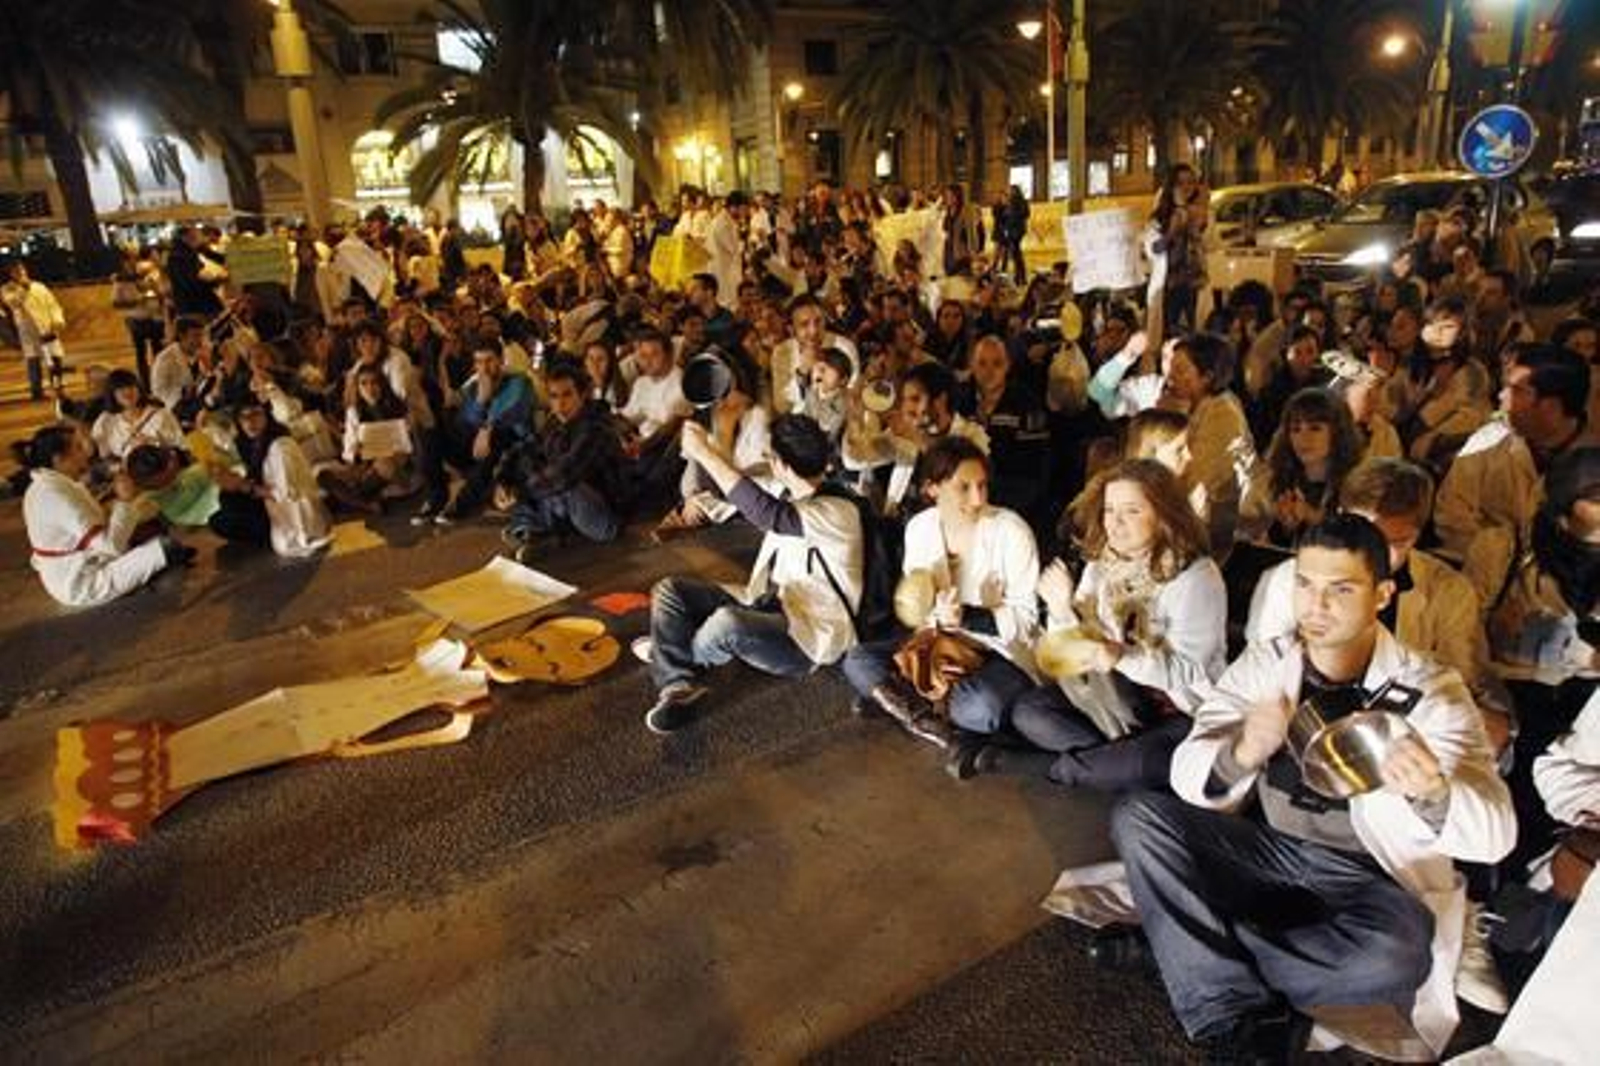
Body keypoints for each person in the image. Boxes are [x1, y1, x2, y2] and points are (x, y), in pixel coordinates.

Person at [1110, 515, 1515, 1063]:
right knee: (1139, 816)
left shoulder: (1431, 691)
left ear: (1382, 594)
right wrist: (1244, 751)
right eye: (1305, 584)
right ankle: (1204, 962)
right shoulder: (1269, 663)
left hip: (1368, 877)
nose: (1315, 607)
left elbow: (1497, 838)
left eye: (1340, 589)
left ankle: (1187, 957)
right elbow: (1189, 773)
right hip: (1270, 850)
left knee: (1394, 956)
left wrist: (1433, 792)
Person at [955, 460, 1225, 789]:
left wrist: (1123, 656)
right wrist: (1061, 610)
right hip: (1110, 700)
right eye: (1110, 510)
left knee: (1144, 762)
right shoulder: (1103, 564)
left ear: (1164, 513)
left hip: (1175, 711)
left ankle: (1046, 766)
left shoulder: (1195, 575)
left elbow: (1189, 670)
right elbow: (1068, 656)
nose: (1116, 523)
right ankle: (1109, 763)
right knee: (1029, 711)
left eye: (1132, 511)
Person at [640, 414, 864, 733]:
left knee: (726, 624)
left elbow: (766, 512)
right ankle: (676, 682)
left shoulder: (839, 510)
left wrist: (703, 452)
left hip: (807, 637)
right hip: (767, 600)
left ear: (782, 464)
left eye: (770, 456)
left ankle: (670, 656)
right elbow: (739, 490)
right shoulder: (790, 491)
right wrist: (710, 446)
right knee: (668, 590)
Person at [841, 437, 1039, 747]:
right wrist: (931, 613)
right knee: (857, 659)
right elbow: (916, 609)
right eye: (964, 487)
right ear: (933, 488)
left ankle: (905, 703)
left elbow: (1026, 622)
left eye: (982, 486)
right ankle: (930, 722)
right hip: (937, 643)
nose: (977, 498)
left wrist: (968, 617)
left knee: (984, 705)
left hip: (994, 651)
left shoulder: (1011, 531)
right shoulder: (920, 527)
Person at [1435, 343, 1594, 609]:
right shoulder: (1487, 443)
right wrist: (1495, 552)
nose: (1501, 396)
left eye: (1517, 390)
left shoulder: (1592, 466)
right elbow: (1450, 515)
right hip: (1475, 594)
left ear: (1551, 406)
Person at [22, 424, 192, 607]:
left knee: (150, 519)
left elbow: (98, 521)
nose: (85, 453)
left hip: (82, 561)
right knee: (167, 546)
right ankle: (147, 580)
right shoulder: (55, 494)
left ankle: (145, 571)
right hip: (83, 581)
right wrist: (124, 500)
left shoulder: (46, 485)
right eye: (78, 448)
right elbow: (111, 547)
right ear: (59, 459)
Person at [495, 361, 626, 556]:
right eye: (554, 396)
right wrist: (503, 481)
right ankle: (541, 535)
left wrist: (520, 492)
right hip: (567, 509)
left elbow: (565, 474)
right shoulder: (554, 422)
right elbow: (520, 450)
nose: (559, 404)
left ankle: (536, 529)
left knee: (561, 482)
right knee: (527, 465)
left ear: (582, 395)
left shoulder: (596, 428)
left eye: (567, 395)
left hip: (604, 519)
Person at [417, 339, 535, 524]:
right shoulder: (473, 388)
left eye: (489, 360)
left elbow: (516, 412)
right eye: (479, 362)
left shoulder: (519, 382)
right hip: (473, 447)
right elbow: (465, 423)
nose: (484, 368)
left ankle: (462, 504)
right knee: (431, 433)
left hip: (510, 447)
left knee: (498, 436)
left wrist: (488, 427)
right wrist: (481, 400)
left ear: (501, 359)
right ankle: (437, 496)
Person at [1163, 331, 1254, 556]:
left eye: (1181, 370)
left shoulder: (1222, 415)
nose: (1170, 377)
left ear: (1208, 376)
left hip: (1210, 534)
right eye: (1171, 368)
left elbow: (1200, 484)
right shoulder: (1195, 407)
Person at [1241, 388, 1362, 548]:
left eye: (1315, 428)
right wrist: (1282, 527)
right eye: (1296, 429)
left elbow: (1355, 542)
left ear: (1338, 432)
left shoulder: (1356, 483)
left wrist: (1310, 515)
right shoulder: (1276, 478)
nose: (1304, 438)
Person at [211, 399, 332, 558]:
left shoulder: (281, 446)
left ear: (267, 415)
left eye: (256, 414)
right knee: (225, 502)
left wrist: (244, 486)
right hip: (268, 502)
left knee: (224, 520)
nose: (250, 422)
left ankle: (267, 534)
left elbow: (286, 494)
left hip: (290, 512)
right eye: (243, 417)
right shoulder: (253, 443)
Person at [2, 262, 67, 401]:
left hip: (48, 328)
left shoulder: (39, 286)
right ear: (10, 274)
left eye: (21, 269)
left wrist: (57, 320)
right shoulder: (7, 289)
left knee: (56, 359)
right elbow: (14, 303)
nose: (19, 273)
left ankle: (58, 388)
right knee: (34, 361)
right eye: (15, 271)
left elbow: (52, 304)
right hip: (28, 331)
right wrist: (23, 289)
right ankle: (36, 392)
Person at [90, 369, 184, 464]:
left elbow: (182, 447)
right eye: (120, 388)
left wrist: (154, 443)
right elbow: (105, 458)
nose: (127, 391)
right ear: (112, 393)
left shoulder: (161, 415)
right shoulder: (107, 421)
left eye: (131, 385)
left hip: (162, 470)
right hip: (127, 475)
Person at [148, 316, 213, 423]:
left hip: (197, 396)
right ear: (182, 336)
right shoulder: (165, 359)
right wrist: (182, 391)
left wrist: (208, 365)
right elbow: (157, 390)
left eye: (202, 335)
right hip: (177, 404)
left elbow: (207, 376)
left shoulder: (201, 350)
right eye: (195, 336)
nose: (200, 340)